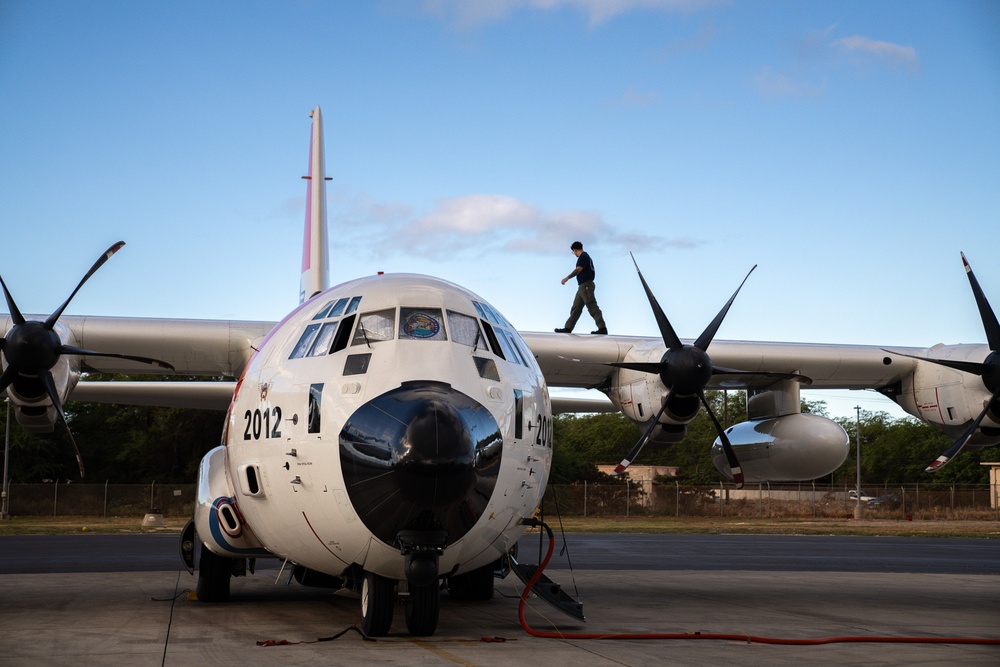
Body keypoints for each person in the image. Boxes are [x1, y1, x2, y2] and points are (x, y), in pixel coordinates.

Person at [555, 241, 607, 334]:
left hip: (586, 285)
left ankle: (602, 328)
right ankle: (568, 328)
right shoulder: (587, 256)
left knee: (592, 306)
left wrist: (567, 278)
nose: (574, 254)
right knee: (576, 308)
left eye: (573, 252)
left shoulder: (583, 256)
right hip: (582, 286)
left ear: (575, 250)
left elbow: (578, 269)